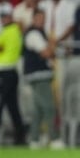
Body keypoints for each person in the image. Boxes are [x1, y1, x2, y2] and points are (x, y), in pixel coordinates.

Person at [0, 3, 26, 145]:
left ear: (10, 16)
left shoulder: (8, 31)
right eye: (1, 16)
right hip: (11, 72)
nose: (3, 19)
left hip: (2, 71)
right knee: (13, 107)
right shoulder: (14, 30)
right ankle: (20, 138)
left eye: (5, 16)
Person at [23, 8, 64, 149]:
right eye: (39, 18)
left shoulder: (41, 33)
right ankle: (54, 138)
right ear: (33, 19)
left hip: (41, 74)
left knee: (38, 109)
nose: (41, 21)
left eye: (43, 18)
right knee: (49, 107)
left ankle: (34, 139)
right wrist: (52, 45)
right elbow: (45, 53)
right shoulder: (33, 34)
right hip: (38, 75)